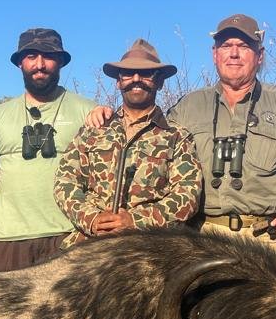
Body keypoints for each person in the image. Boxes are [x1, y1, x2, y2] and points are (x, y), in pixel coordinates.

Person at [166, 14, 276, 245]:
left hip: (263, 240)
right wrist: (109, 115)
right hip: (200, 238)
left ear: (259, 56)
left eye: (243, 46)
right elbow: (152, 143)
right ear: (215, 54)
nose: (234, 53)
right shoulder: (188, 105)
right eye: (226, 46)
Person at [0, 28, 95, 271]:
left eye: (48, 56)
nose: (40, 64)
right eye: (32, 56)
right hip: (7, 242)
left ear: (61, 62)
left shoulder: (88, 111)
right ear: (20, 63)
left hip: (70, 237)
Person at [53, 39, 201, 247]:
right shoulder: (94, 129)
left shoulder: (177, 137)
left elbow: (188, 194)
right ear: (118, 81)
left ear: (159, 82)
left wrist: (135, 221)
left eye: (146, 73)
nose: (136, 79)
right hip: (90, 242)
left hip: (149, 245)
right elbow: (65, 181)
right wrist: (92, 218)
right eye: (128, 73)